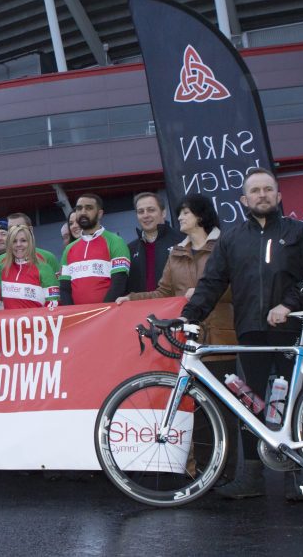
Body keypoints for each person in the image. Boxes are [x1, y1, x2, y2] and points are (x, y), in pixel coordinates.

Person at [182, 168, 303, 502]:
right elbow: (213, 281)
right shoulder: (232, 239)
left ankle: (295, 477)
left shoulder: (299, 232)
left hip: (290, 329)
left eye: (268, 190)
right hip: (249, 331)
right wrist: (189, 316)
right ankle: (253, 478)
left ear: (277, 196)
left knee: (289, 402)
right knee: (251, 403)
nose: (262, 195)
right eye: (255, 191)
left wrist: (289, 305)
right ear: (244, 200)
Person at [117, 195, 238, 486]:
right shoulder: (176, 253)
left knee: (223, 410)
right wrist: (130, 299)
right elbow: (163, 293)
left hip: (220, 335)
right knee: (195, 409)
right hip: (188, 341)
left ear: (200, 216)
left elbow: (238, 288)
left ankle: (227, 474)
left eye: (185, 213)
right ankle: (203, 472)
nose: (180, 218)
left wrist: (203, 292)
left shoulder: (225, 246)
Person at [59, 194, 130, 305]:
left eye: (89, 208)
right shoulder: (69, 249)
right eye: (79, 208)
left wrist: (100, 314)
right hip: (80, 318)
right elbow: (64, 289)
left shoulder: (116, 241)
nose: (83, 212)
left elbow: (119, 284)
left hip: (108, 317)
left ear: (100, 214)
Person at [126, 192, 185, 294]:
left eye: (151, 210)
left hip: (177, 307)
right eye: (141, 211)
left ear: (163, 213)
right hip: (141, 308)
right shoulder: (129, 249)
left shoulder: (182, 241)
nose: (145, 215)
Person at [0, 225, 59, 309]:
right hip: (10, 322)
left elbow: (54, 304)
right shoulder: (2, 268)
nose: (18, 244)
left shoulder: (44, 269)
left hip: (37, 321)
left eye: (23, 240)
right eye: (14, 241)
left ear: (30, 243)